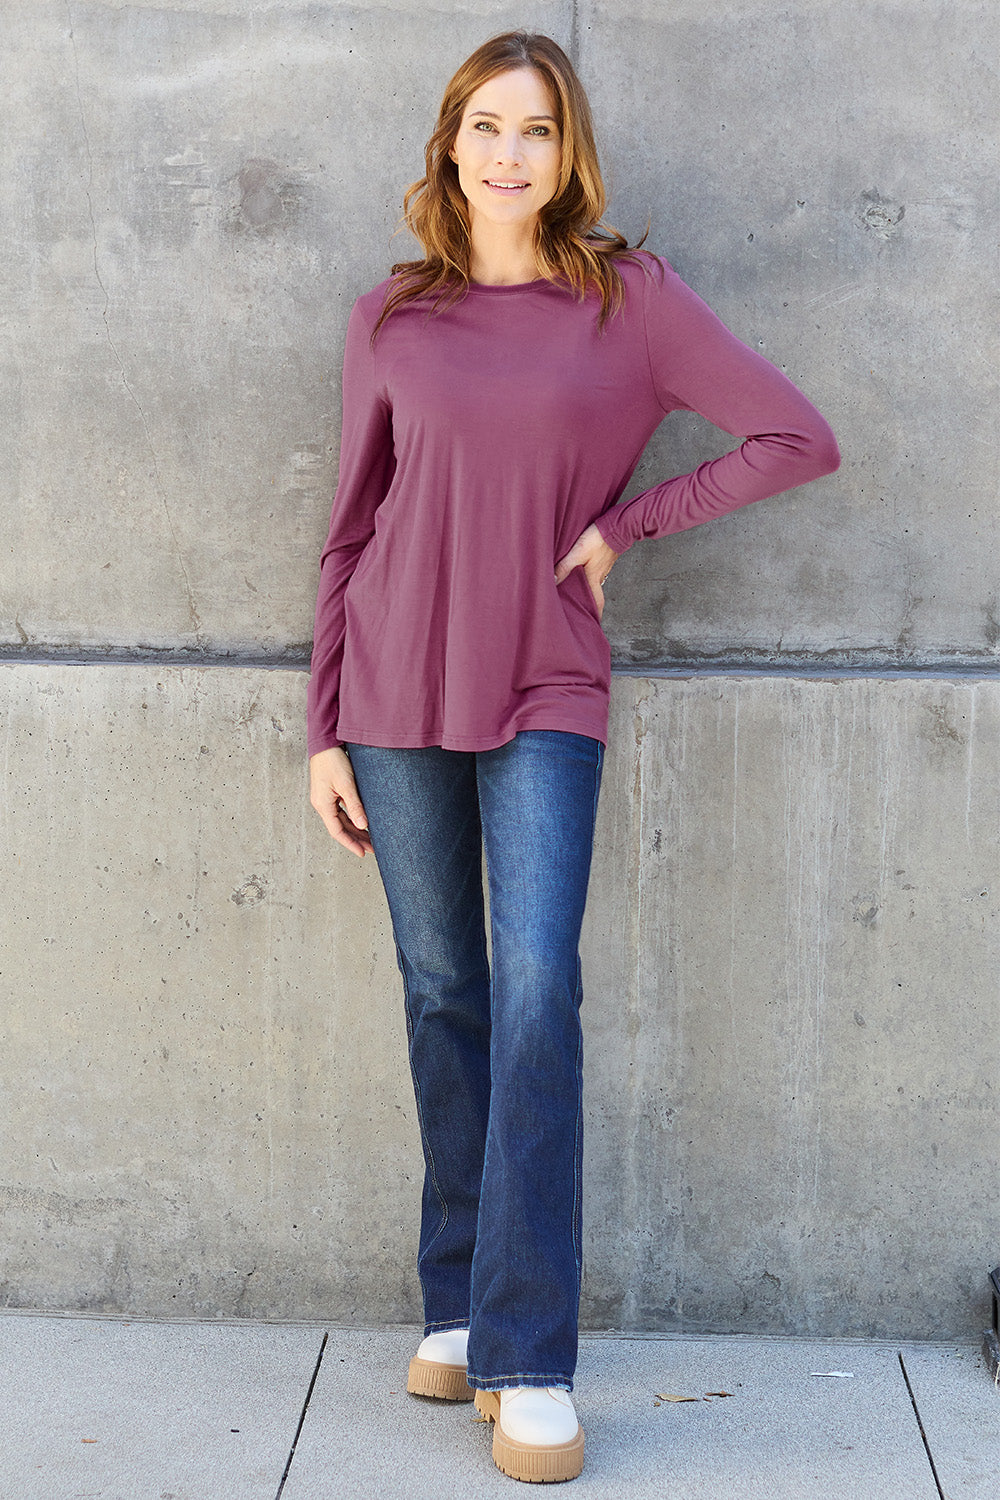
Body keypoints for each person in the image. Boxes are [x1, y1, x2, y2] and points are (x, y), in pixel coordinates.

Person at [307, 29, 839, 1484]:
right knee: (443, 993)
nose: (509, 153)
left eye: (537, 129)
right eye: (486, 126)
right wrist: (321, 727)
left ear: (568, 151)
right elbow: (351, 529)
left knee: (537, 988)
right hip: (392, 695)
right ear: (450, 144)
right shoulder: (392, 320)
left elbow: (796, 435)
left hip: (547, 683)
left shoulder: (632, 303)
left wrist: (627, 529)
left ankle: (529, 1353)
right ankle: (456, 1303)